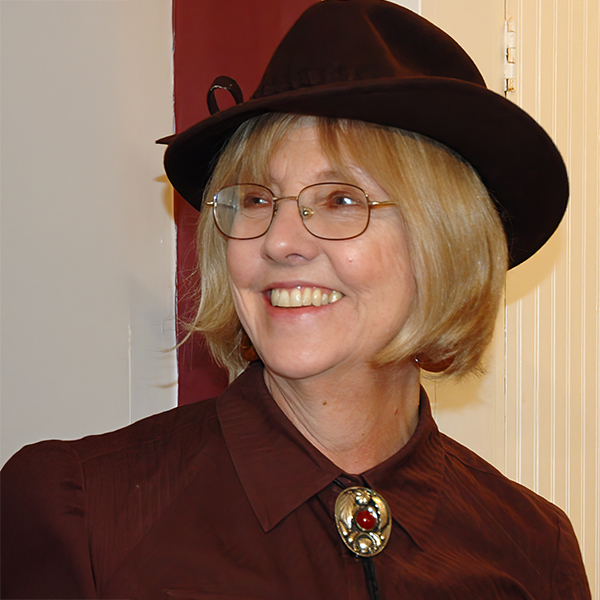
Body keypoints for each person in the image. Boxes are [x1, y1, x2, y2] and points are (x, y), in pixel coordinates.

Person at [1, 1, 592, 598]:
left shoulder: (532, 550)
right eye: (256, 200)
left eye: (340, 200)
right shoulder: (85, 513)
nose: (279, 242)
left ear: (445, 242)